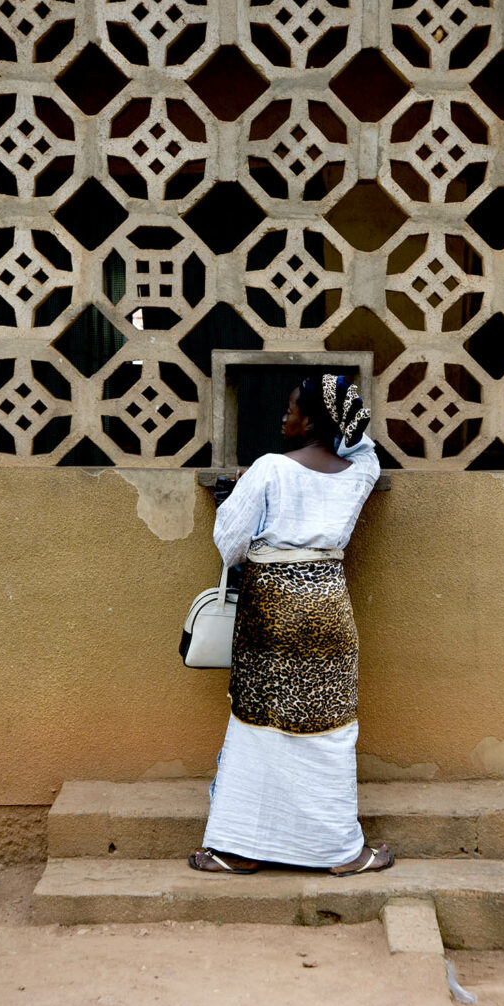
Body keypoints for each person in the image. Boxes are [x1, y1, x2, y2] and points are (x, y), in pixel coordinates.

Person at [188, 373, 394, 876]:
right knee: (327, 727)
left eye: (293, 409)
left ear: (313, 422)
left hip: (273, 611)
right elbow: (365, 449)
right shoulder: (358, 474)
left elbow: (230, 544)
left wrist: (241, 497)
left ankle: (237, 849)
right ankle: (342, 852)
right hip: (329, 610)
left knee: (259, 724)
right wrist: (343, 422)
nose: (284, 417)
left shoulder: (269, 470)